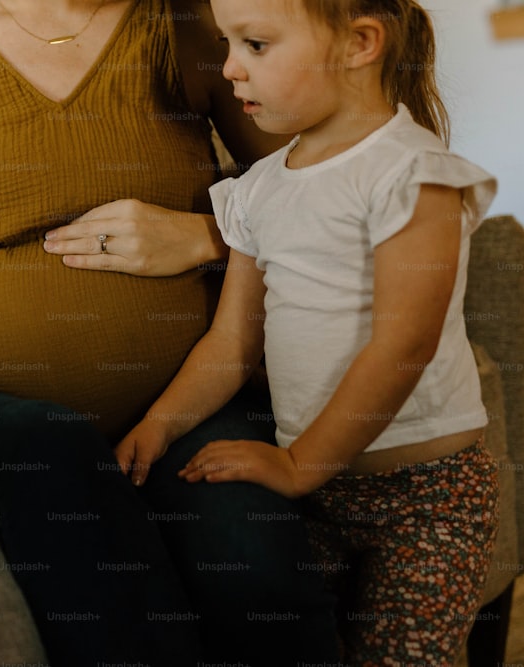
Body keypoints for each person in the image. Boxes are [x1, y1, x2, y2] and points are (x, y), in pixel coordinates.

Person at [0, 0, 339, 664]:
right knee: (53, 453)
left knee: (252, 563)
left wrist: (202, 236)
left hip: (187, 399)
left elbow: (322, 196)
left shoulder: (189, 26)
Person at [116, 0, 501, 664]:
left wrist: (299, 464)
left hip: (427, 494)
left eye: (256, 45)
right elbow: (231, 345)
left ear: (360, 43)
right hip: (323, 493)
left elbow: (403, 344)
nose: (230, 68)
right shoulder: (259, 190)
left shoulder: (411, 173)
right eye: (226, 43)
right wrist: (160, 423)